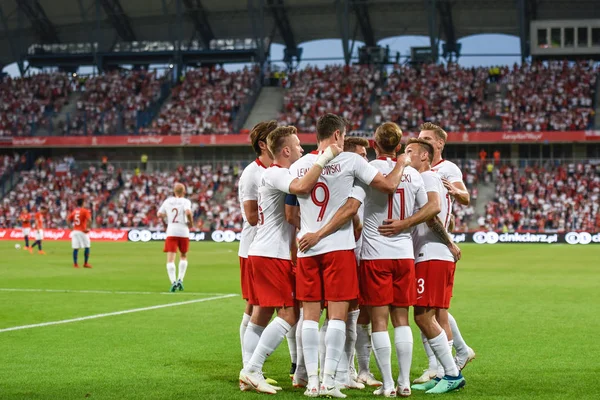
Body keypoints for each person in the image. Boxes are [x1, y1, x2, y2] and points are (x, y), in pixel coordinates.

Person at [299, 125, 441, 397]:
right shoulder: (412, 173)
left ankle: (387, 385)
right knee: (402, 321)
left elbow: (353, 206)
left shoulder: (366, 168)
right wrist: (405, 224)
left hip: (375, 254)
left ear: (375, 143)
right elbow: (431, 208)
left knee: (378, 323)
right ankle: (404, 383)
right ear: (399, 146)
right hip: (404, 254)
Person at [239, 125, 342, 394]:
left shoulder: (272, 173)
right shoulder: (277, 173)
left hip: (263, 251)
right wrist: (324, 158)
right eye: (297, 146)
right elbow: (301, 185)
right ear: (285, 150)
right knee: (288, 314)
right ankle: (252, 369)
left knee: (260, 314)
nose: (301, 149)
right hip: (272, 254)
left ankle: (249, 372)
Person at [403, 138, 465, 394]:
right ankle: (442, 373)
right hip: (432, 254)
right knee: (431, 315)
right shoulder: (430, 179)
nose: (405, 156)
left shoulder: (427, 178)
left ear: (424, 157)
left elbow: (433, 217)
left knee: (423, 316)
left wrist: (448, 243)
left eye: (410, 152)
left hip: (432, 254)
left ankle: (451, 374)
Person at [417, 123, 476, 381]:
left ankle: (444, 367)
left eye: (428, 139)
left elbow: (465, 196)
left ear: (440, 143)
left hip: (437, 244)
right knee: (428, 309)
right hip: (423, 245)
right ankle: (453, 356)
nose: (423, 142)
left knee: (433, 311)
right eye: (421, 138)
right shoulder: (420, 168)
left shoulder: (447, 168)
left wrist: (454, 190)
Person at [236, 120, 277, 377]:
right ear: (263, 144)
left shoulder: (274, 169)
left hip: (269, 247)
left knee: (258, 307)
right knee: (254, 307)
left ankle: (251, 365)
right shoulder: (253, 173)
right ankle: (249, 365)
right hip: (253, 248)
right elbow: (251, 216)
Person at [157, 183, 193, 292]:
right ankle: (180, 279)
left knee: (170, 258)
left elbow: (159, 214)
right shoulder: (186, 201)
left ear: (174, 191)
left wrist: (168, 215)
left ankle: (173, 282)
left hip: (171, 231)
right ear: (184, 191)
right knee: (183, 255)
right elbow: (188, 212)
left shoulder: (168, 201)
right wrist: (191, 222)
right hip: (183, 231)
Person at [68, 198, 92, 268]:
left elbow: (68, 219)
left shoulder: (75, 211)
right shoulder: (85, 211)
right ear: (83, 203)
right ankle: (85, 263)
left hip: (75, 231)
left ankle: (75, 264)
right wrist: (88, 228)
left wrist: (71, 228)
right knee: (87, 246)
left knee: (76, 248)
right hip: (82, 231)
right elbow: (90, 220)